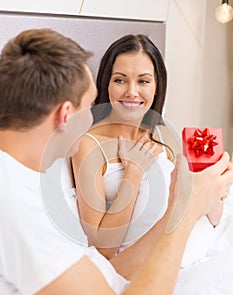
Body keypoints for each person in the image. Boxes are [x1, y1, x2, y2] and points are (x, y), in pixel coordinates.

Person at [0, 29, 232, 295]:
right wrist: (185, 206)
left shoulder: (19, 181)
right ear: (66, 116)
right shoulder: (15, 203)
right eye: (90, 104)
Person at [72, 34, 223, 260]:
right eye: (120, 80)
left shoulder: (161, 135)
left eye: (143, 81)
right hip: (155, 268)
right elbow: (102, 248)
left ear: (156, 86)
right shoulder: (89, 145)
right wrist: (133, 174)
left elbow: (210, 216)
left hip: (203, 252)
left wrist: (214, 189)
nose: (132, 92)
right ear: (106, 83)